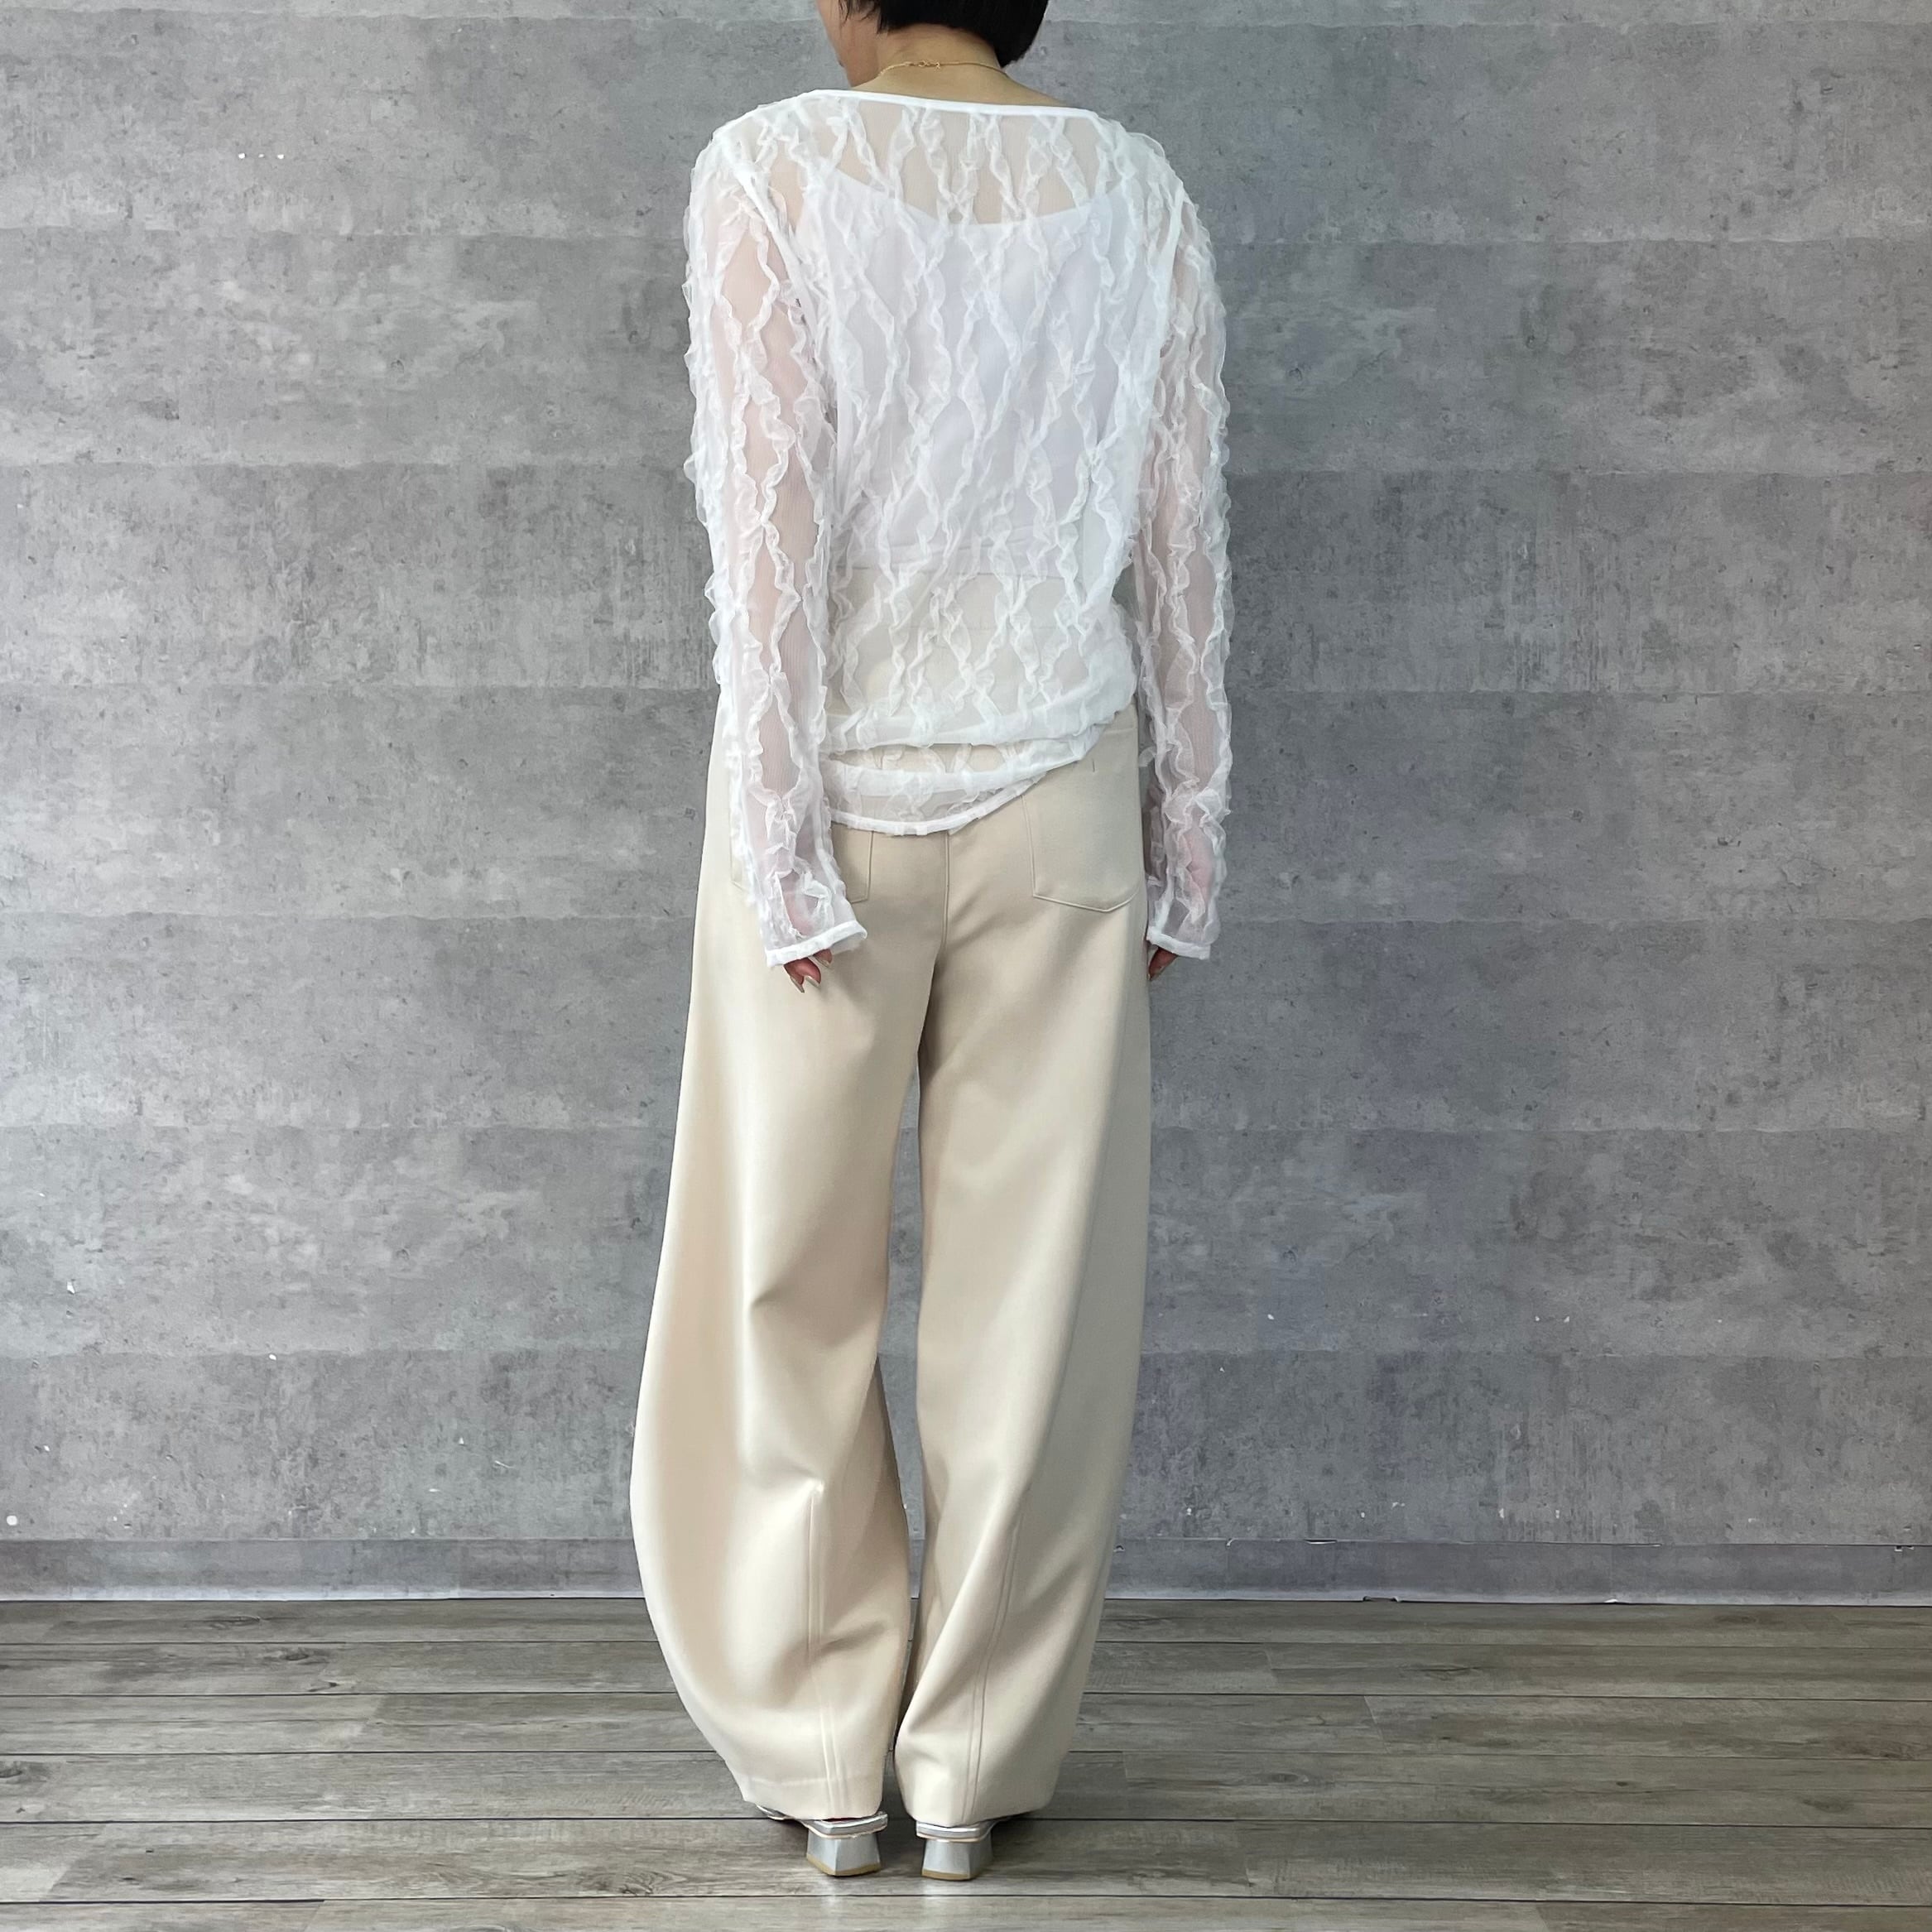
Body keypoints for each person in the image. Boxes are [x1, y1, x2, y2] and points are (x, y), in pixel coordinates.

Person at [627, 0, 1233, 1885]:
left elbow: (766, 524)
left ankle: (825, 1753)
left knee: (779, 1279)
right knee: (1036, 1302)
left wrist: (778, 837)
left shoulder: (772, 164)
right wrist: (1191, 833)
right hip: (1064, 795)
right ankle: (968, 1765)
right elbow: (1182, 530)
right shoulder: (1136, 191)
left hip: (832, 797)